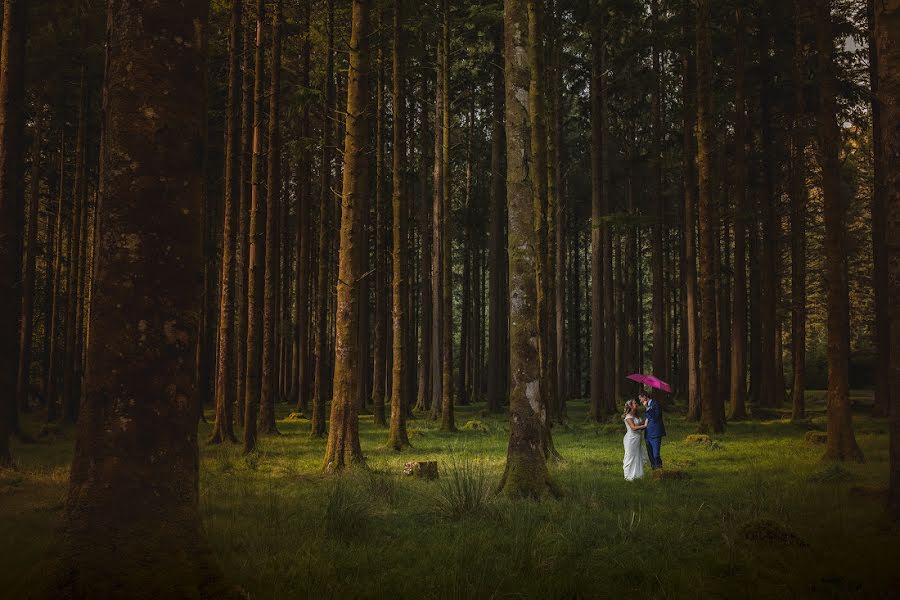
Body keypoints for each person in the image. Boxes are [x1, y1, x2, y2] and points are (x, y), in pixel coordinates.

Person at [622, 399, 648, 481]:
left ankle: (637, 475)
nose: (637, 404)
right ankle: (628, 477)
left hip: (637, 439)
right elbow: (633, 428)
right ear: (630, 406)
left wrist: (646, 421)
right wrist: (645, 425)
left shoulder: (637, 416)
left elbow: (640, 427)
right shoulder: (628, 417)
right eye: (635, 403)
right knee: (630, 456)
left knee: (637, 456)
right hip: (631, 439)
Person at [639, 391, 666, 469]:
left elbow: (656, 416)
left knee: (656, 454)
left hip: (656, 433)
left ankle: (660, 469)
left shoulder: (655, 403)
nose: (640, 401)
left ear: (645, 397)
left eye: (641, 399)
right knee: (650, 455)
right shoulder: (647, 405)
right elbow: (648, 419)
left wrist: (647, 408)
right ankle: (654, 470)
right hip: (648, 434)